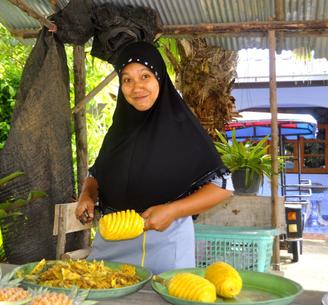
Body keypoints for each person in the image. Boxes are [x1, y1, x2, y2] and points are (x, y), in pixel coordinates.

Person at [75, 41, 233, 274]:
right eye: (127, 79)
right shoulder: (119, 129)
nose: (136, 86)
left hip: (165, 244)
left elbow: (223, 186)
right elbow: (97, 174)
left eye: (145, 76)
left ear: (159, 78)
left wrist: (172, 211)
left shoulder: (183, 129)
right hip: (112, 241)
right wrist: (86, 195)